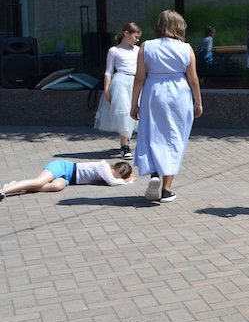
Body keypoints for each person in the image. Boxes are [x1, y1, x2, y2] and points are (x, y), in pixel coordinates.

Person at [130, 10, 204, 204]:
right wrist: (198, 101)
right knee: (174, 137)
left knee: (152, 134)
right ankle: (166, 189)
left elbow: (139, 78)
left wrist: (134, 104)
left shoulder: (146, 47)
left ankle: (154, 174)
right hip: (179, 93)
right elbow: (193, 79)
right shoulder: (186, 48)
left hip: (153, 91)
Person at [94, 21, 141, 160]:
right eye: (135, 37)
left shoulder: (138, 50)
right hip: (121, 83)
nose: (137, 40)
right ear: (126, 33)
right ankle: (124, 145)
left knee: (136, 111)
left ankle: (132, 140)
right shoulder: (114, 51)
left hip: (135, 82)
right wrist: (106, 90)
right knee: (123, 113)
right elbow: (108, 72)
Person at [0, 159, 136, 201]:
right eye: (113, 174)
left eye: (116, 176)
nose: (111, 176)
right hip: (63, 167)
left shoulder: (108, 171)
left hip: (70, 179)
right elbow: (112, 182)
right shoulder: (103, 166)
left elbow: (112, 180)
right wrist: (127, 181)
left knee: (56, 187)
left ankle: (16, 186)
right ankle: (4, 190)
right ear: (112, 166)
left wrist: (124, 179)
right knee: (39, 182)